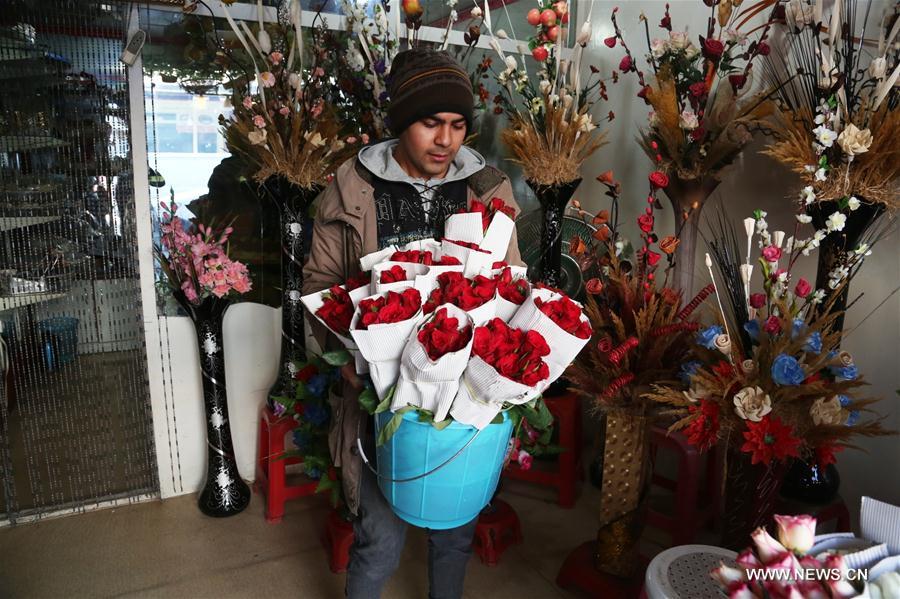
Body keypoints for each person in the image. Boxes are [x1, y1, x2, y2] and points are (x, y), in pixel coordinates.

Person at [303, 48, 523, 599]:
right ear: (401, 123)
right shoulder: (353, 190)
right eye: (430, 124)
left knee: (454, 530)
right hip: (381, 396)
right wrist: (352, 366)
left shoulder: (487, 188)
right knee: (379, 537)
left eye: (455, 126)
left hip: (463, 396)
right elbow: (318, 286)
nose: (445, 141)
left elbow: (512, 286)